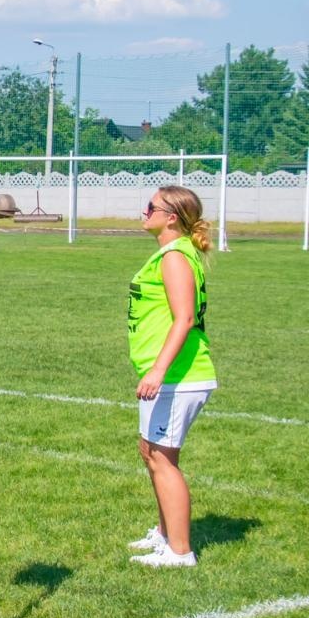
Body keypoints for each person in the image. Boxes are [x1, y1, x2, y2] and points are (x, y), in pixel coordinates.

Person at [126, 185, 217, 568]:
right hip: (169, 375)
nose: (144, 212)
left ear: (171, 217)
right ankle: (165, 535)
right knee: (152, 453)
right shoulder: (170, 254)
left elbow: (185, 318)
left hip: (178, 377)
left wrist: (160, 371)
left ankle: (180, 551)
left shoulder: (176, 257)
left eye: (152, 207)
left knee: (162, 459)